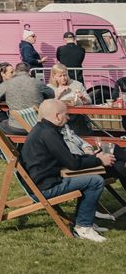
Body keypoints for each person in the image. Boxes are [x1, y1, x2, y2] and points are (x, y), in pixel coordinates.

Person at [20, 99, 114, 242]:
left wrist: (92, 158)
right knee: (95, 181)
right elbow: (72, 164)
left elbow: (68, 158)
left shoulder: (43, 130)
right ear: (57, 116)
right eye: (66, 114)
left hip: (42, 182)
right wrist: (99, 160)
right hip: (45, 187)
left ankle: (83, 222)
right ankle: (83, 226)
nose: (69, 118)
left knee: (89, 179)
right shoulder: (49, 134)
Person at [0, 62, 54, 135]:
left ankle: (10, 146)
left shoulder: (8, 83)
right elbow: (52, 94)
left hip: (15, 126)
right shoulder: (36, 82)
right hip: (36, 125)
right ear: (29, 71)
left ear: (16, 71)